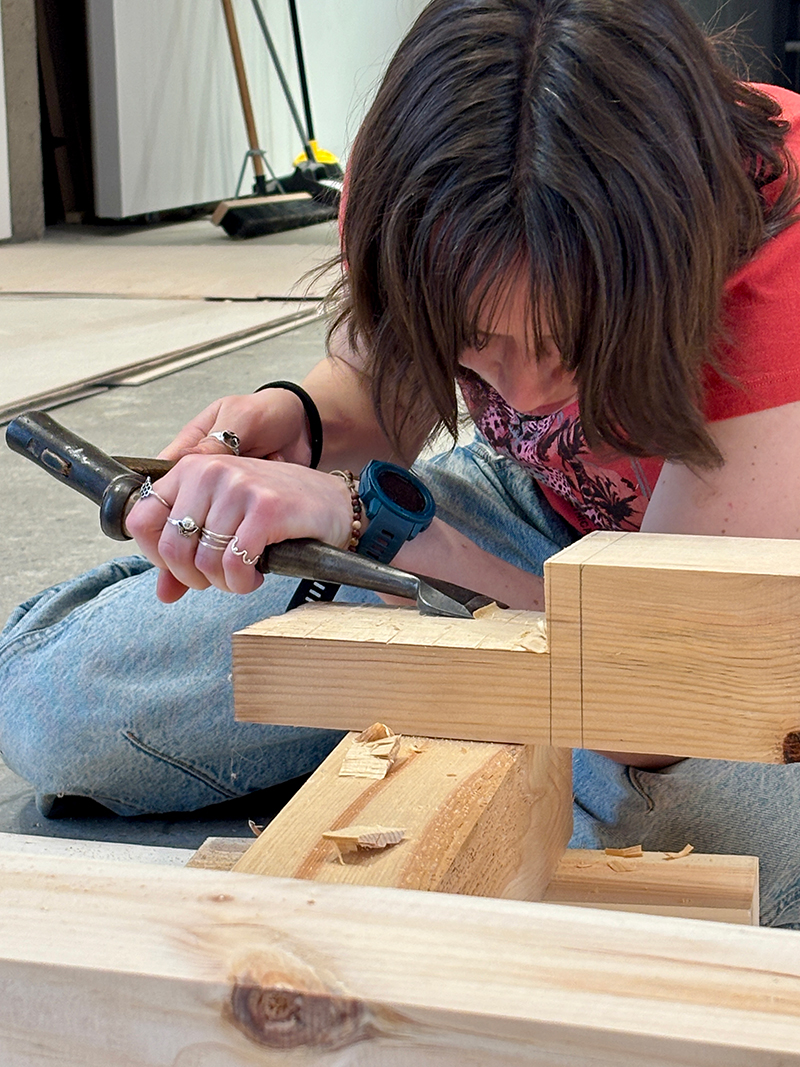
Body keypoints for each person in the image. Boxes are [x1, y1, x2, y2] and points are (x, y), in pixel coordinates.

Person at [2, 0, 800, 926]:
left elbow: (660, 686)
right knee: (67, 708)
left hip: (739, 607)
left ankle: (440, 686)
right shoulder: (427, 193)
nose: (533, 392)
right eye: (478, 342)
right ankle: (459, 688)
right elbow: (372, 390)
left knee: (688, 847)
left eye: (575, 340)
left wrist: (384, 535)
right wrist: (300, 420)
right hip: (537, 524)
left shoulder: (771, 241)